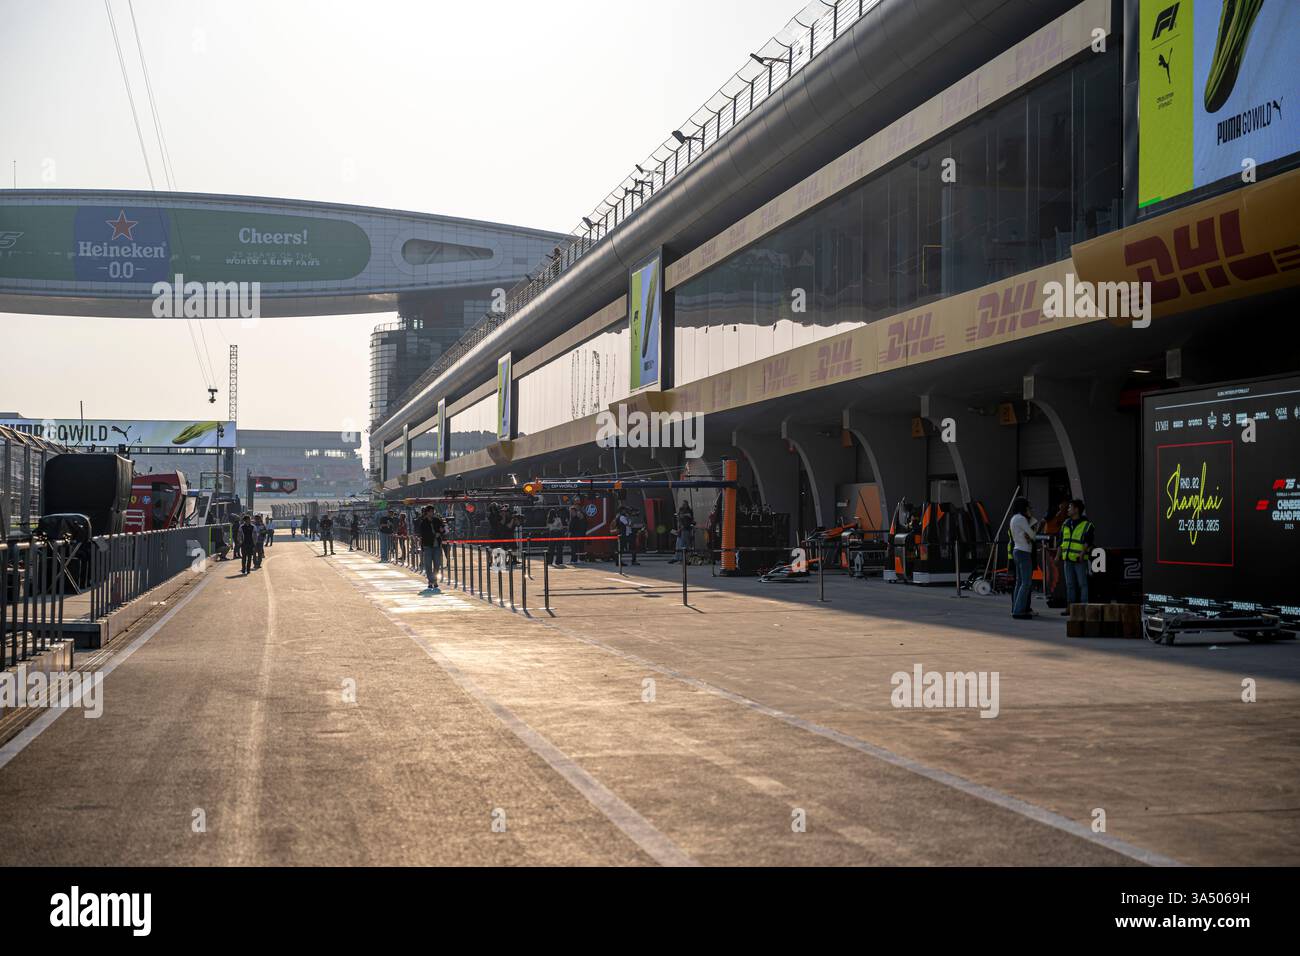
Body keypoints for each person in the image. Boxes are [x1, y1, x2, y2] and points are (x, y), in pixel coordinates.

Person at [1058, 499, 1095, 613]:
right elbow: (1061, 541)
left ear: (1076, 509)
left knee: (1082, 584)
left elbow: (1088, 541)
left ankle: (1084, 608)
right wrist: (1057, 556)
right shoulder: (1065, 524)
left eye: (1070, 507)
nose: (1068, 509)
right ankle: (1071, 608)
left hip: (1079, 559)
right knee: (1070, 584)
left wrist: (1082, 553)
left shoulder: (1087, 525)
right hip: (1067, 559)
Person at [1009, 497, 1038, 619]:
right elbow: (1033, 535)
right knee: (1026, 582)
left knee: (1019, 582)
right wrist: (1032, 518)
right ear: (1024, 507)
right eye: (1028, 507)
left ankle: (1015, 608)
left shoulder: (1014, 518)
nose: (1029, 509)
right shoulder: (1021, 519)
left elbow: (1029, 535)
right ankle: (1018, 611)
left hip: (1016, 550)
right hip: (1024, 551)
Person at [417, 505, 446, 592]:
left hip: (437, 545)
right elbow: (423, 534)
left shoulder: (437, 520)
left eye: (433, 511)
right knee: (428, 565)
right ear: (427, 512)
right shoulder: (423, 522)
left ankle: (435, 579)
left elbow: (443, 529)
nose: (432, 513)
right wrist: (434, 534)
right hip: (427, 545)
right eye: (430, 511)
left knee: (437, 564)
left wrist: (441, 531)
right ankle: (430, 581)